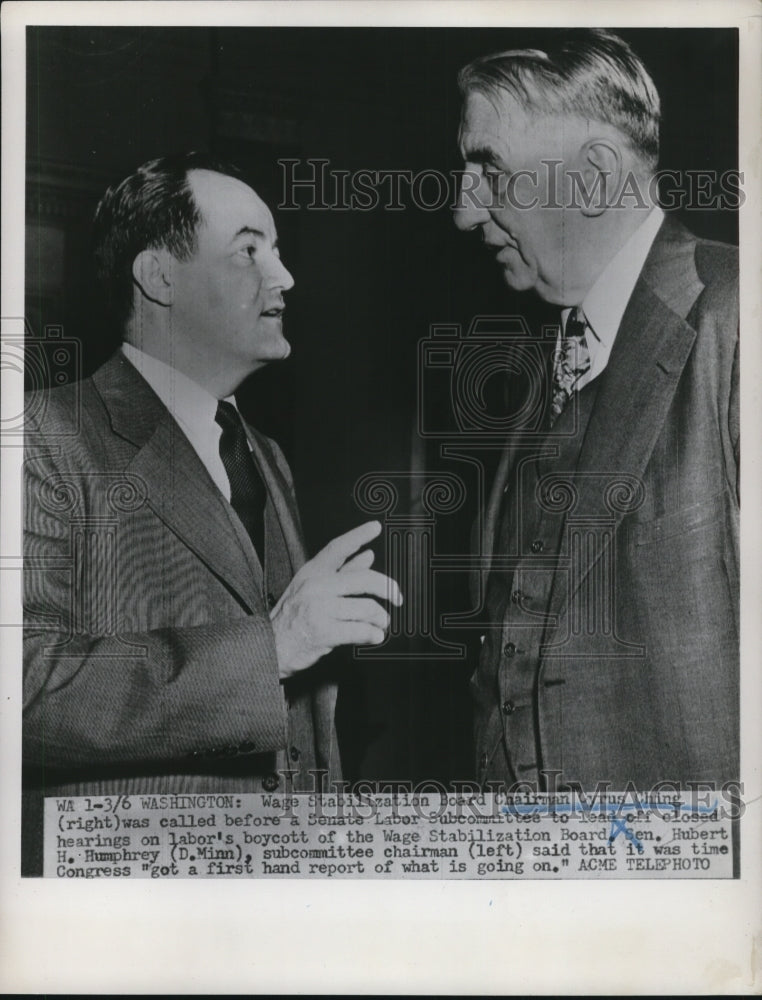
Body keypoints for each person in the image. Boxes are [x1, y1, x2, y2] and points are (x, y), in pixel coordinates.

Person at [22, 152, 402, 873]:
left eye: (278, 251)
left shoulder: (266, 455)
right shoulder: (41, 438)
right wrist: (273, 648)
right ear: (159, 277)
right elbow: (24, 689)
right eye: (249, 251)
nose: (284, 276)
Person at [454, 30, 739, 791]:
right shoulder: (545, 366)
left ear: (593, 177)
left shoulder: (738, 317)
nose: (463, 211)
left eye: (489, 171)